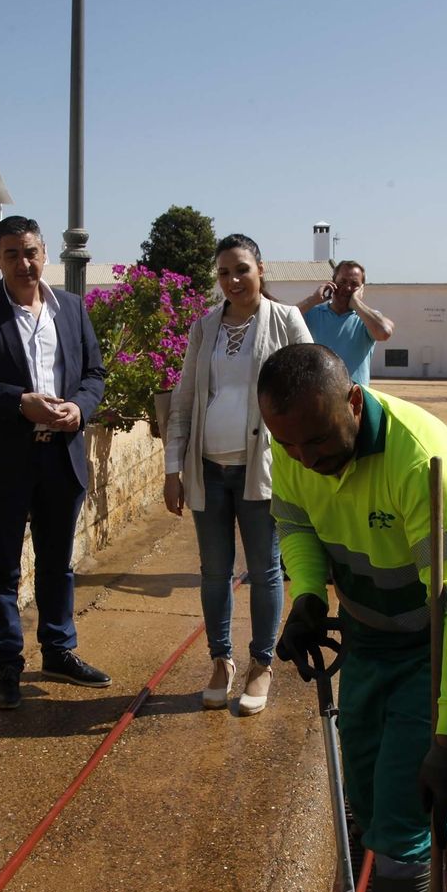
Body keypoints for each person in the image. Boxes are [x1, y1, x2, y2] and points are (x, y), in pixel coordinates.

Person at [259, 343, 447, 892]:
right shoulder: (292, 444)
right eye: (289, 446)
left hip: (436, 639)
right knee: (364, 792)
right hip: (370, 633)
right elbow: (295, 525)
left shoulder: (421, 458)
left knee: (402, 809)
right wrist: (310, 594)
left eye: (316, 441)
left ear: (353, 400)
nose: (304, 459)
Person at [0, 216, 111, 709]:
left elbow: (95, 374)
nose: (24, 263)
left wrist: (79, 407)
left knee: (58, 564)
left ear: (44, 255)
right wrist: (17, 401)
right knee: (1, 569)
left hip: (61, 456)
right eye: (11, 254)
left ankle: (58, 650)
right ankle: (6, 666)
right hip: (2, 461)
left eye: (31, 252)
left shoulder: (72, 309)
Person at [162, 234, 313, 715]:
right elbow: (184, 402)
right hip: (208, 469)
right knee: (213, 572)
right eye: (224, 272)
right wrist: (173, 469)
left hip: (260, 471)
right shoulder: (205, 327)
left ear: (261, 270)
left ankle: (261, 665)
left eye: (241, 269)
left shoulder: (286, 320)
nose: (233, 280)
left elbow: (311, 385)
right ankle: (220, 661)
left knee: (266, 570)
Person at [294, 259, 395, 386]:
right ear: (332, 282)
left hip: (354, 399)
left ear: (362, 288)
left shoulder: (367, 318)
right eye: (343, 282)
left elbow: (384, 332)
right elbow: (283, 321)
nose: (347, 288)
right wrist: (312, 300)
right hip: (318, 398)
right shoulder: (313, 313)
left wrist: (356, 303)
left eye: (354, 284)